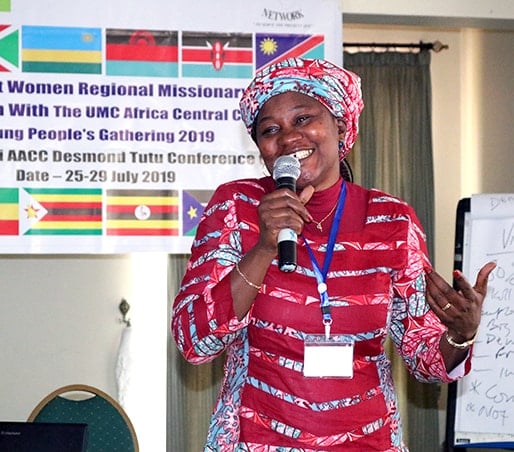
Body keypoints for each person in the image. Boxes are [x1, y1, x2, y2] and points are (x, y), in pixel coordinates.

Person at [170, 57, 497, 451]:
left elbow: (423, 356)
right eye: (270, 130)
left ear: (340, 127)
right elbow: (194, 340)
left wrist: (460, 336)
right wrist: (263, 247)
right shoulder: (236, 206)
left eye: (303, 119)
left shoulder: (391, 220)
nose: (289, 138)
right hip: (257, 439)